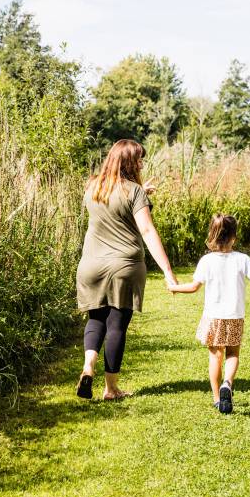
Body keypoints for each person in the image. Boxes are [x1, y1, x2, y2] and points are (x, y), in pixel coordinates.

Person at [76, 139, 177, 401]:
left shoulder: (92, 187)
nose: (142, 164)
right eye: (139, 160)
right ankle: (111, 389)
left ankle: (88, 366)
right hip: (124, 266)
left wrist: (142, 191)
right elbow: (147, 230)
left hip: (91, 265)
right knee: (117, 325)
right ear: (128, 162)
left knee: (96, 319)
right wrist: (167, 271)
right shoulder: (134, 192)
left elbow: (114, 202)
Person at [167, 213, 250, 414]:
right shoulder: (243, 259)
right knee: (232, 353)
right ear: (234, 237)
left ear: (213, 234)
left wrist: (174, 288)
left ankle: (217, 399)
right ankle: (227, 383)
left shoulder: (207, 261)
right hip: (235, 316)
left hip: (213, 316)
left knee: (215, 356)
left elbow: (194, 287)